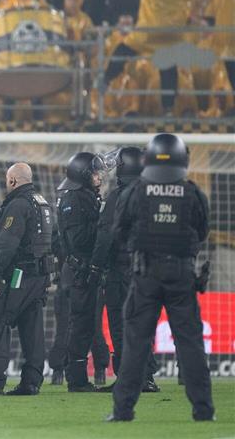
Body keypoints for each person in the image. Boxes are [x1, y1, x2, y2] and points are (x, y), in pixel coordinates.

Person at [109, 134, 214, 422]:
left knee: (136, 343)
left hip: (145, 274)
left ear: (148, 159)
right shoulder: (192, 192)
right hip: (181, 274)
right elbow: (202, 231)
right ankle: (203, 410)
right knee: (190, 344)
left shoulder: (136, 191)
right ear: (183, 159)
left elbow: (119, 231)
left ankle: (123, 410)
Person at [0, 162, 54, 396]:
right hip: (40, 276)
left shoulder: (18, 205)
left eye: (7, 180)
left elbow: (7, 244)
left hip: (19, 275)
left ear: (13, 180)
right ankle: (31, 382)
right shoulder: (42, 203)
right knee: (32, 326)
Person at [90, 147, 160, 394]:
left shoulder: (118, 197)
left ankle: (129, 378)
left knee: (121, 326)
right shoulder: (154, 195)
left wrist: (95, 266)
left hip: (121, 272)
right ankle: (146, 377)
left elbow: (105, 236)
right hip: (149, 272)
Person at [56, 152, 106, 392]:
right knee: (80, 325)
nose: (99, 177)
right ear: (84, 175)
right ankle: (76, 379)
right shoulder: (75, 199)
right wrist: (103, 223)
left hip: (81, 271)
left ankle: (77, 377)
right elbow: (79, 240)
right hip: (79, 272)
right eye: (95, 173)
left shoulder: (83, 197)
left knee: (85, 325)